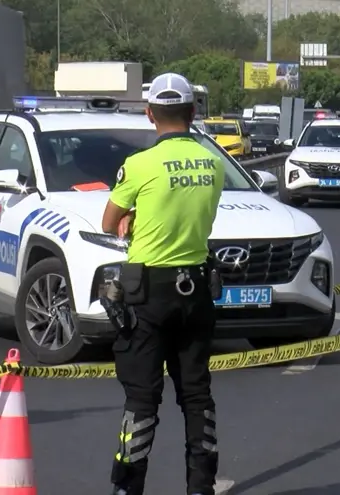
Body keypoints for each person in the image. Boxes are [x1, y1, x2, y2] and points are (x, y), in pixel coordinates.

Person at [101, 72, 225, 495]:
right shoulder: (214, 162)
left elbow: (110, 222)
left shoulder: (139, 165)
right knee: (196, 395)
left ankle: (128, 489)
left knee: (141, 398)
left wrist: (134, 219)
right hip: (195, 290)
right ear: (193, 112)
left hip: (147, 292)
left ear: (149, 114)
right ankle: (200, 488)